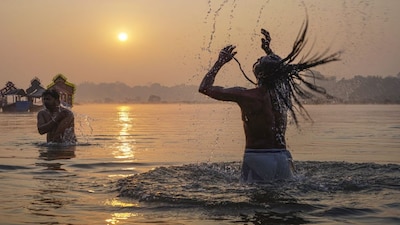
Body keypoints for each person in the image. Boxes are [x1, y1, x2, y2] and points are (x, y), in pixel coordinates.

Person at [199, 20, 340, 183]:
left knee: (257, 205)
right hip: (283, 159)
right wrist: (268, 51)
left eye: (259, 60)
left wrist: (220, 61)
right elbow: (278, 72)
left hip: (258, 159)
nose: (258, 59)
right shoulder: (283, 94)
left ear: (259, 73)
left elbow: (205, 88)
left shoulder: (248, 96)